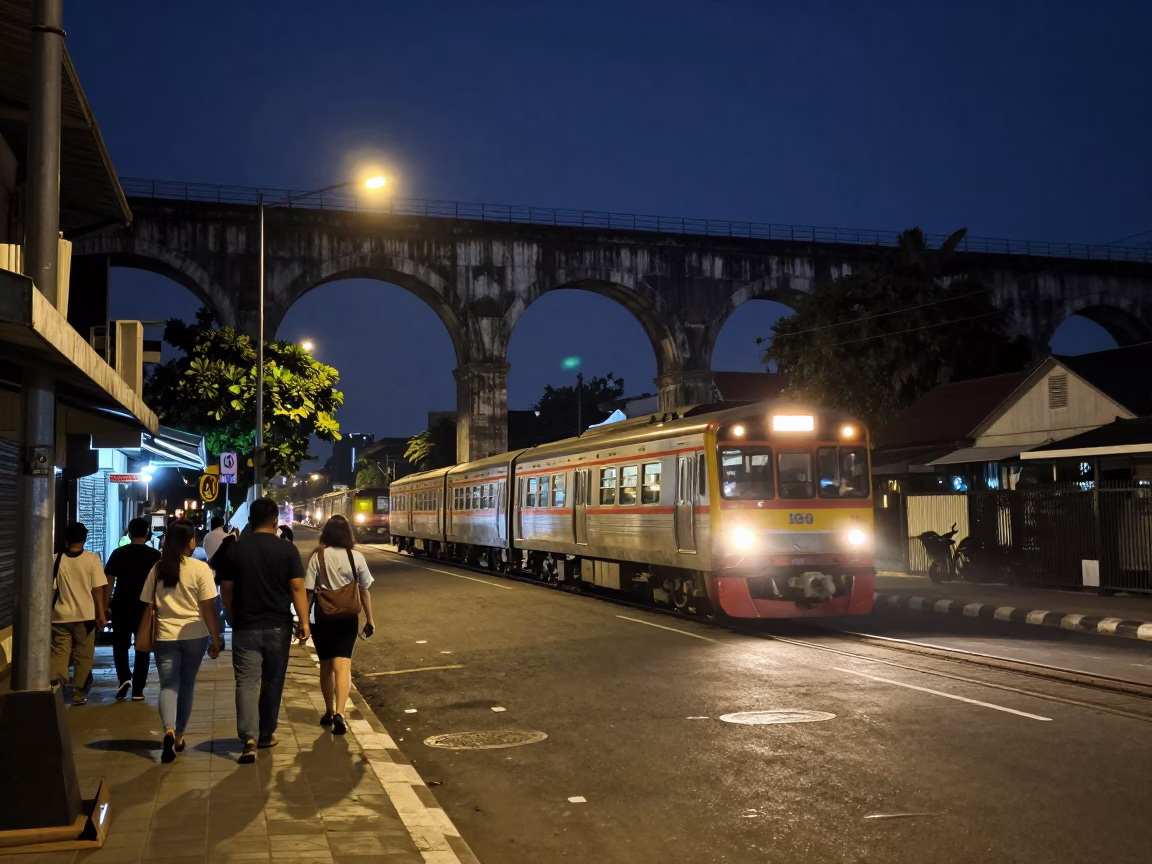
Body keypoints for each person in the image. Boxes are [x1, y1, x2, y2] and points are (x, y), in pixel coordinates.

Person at [219, 497, 310, 764]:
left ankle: (249, 737)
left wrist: (231, 612)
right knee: (273, 681)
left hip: (245, 625)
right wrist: (304, 622)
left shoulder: (235, 550)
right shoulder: (287, 550)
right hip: (278, 626)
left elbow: (226, 589)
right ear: (275, 521)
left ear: (249, 521)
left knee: (246, 682)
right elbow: (297, 588)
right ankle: (267, 733)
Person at [140, 520, 222, 763]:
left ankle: (168, 729)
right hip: (195, 635)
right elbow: (208, 606)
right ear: (190, 541)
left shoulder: (158, 568)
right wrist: (215, 638)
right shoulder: (200, 568)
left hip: (164, 635)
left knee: (168, 685)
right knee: (187, 685)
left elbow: (148, 604)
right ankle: (180, 736)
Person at [305, 515, 375, 735]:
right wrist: (370, 619)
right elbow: (364, 590)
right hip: (348, 618)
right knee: (343, 665)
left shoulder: (318, 557)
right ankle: (340, 712)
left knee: (326, 665)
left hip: (324, 617)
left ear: (326, 533)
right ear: (348, 533)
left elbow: (308, 590)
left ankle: (327, 710)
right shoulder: (356, 557)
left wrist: (303, 620)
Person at [51, 523, 108, 706]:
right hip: (85, 617)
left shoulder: (55, 559)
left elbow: (52, 589)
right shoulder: (92, 559)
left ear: (66, 539)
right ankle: (78, 693)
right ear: (85, 538)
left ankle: (55, 688)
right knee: (83, 655)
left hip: (60, 616)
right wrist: (101, 613)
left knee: (59, 653)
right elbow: (98, 590)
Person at [104, 517, 161, 700]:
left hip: (121, 604)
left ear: (129, 532)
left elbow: (109, 580)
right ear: (147, 533)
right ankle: (138, 690)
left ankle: (123, 678)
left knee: (120, 644)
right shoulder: (155, 556)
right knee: (142, 646)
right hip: (145, 607)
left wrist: (105, 605)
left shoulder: (118, 553)